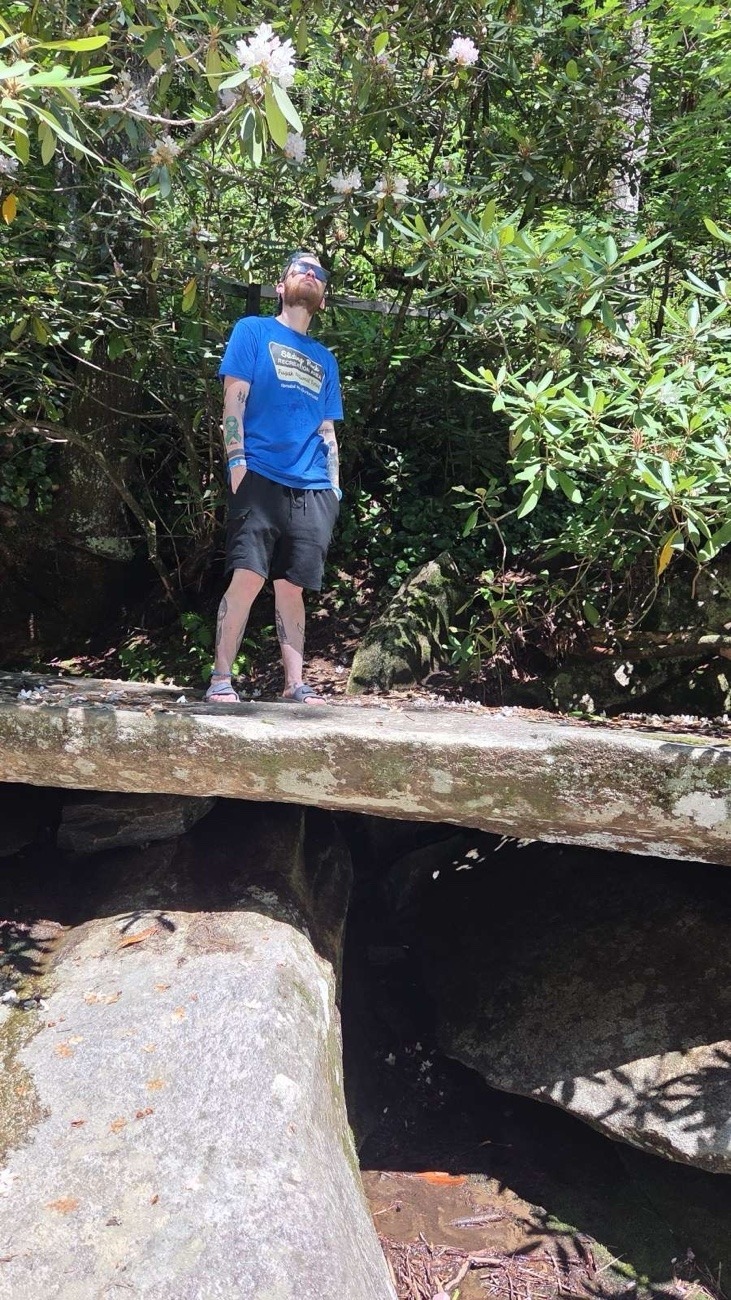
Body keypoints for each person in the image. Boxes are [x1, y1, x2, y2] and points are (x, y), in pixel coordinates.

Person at [205, 251, 343, 704]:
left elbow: (327, 429)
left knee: (292, 587)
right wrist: (235, 461)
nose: (310, 274)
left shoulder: (324, 358)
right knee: (247, 576)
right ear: (281, 286)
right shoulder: (254, 331)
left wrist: (334, 486)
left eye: (319, 273)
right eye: (300, 269)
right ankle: (221, 680)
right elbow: (234, 398)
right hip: (259, 472)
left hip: (314, 486)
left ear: (322, 296)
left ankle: (294, 686)